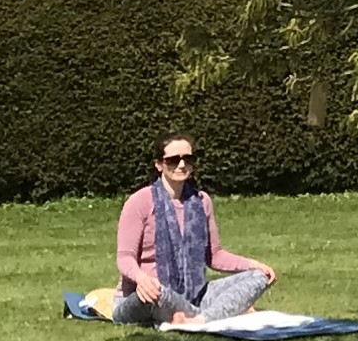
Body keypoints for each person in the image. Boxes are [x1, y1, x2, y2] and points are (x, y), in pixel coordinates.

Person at [112, 136, 276, 327]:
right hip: (145, 296)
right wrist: (142, 279)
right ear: (158, 164)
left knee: (258, 277)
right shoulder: (139, 201)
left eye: (187, 159)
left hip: (194, 295)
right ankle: (224, 310)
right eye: (173, 160)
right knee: (158, 292)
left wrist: (252, 264)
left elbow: (215, 256)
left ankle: (198, 319)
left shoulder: (202, 201)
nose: (182, 165)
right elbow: (124, 258)